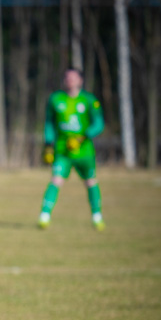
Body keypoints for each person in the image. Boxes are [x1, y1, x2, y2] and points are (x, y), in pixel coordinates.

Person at [39, 68, 105, 231]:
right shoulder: (56, 99)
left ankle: (97, 217)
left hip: (84, 151)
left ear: (80, 80)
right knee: (56, 180)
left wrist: (83, 136)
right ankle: (44, 216)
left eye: (73, 78)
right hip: (62, 150)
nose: (70, 81)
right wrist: (48, 144)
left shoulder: (89, 100)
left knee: (90, 182)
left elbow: (99, 123)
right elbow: (49, 123)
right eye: (67, 77)